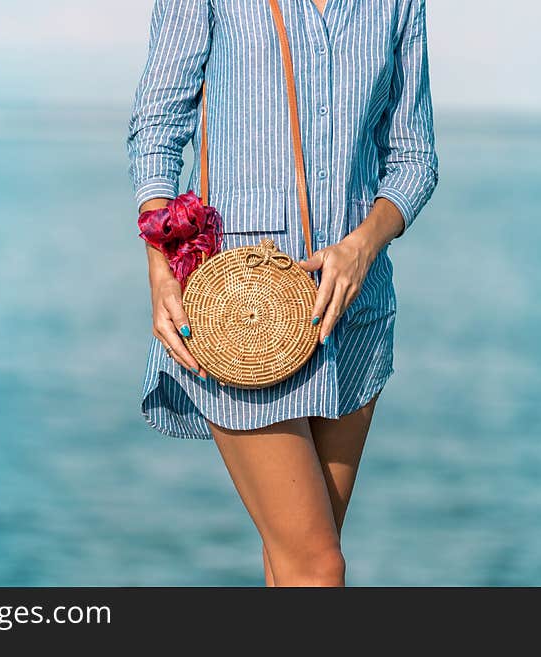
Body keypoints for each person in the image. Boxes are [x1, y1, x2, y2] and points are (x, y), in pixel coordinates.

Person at [126, 0, 439, 586]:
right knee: (317, 569)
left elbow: (415, 158)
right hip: (238, 316)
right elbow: (157, 128)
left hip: (353, 316)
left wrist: (362, 246)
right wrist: (159, 266)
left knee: (292, 567)